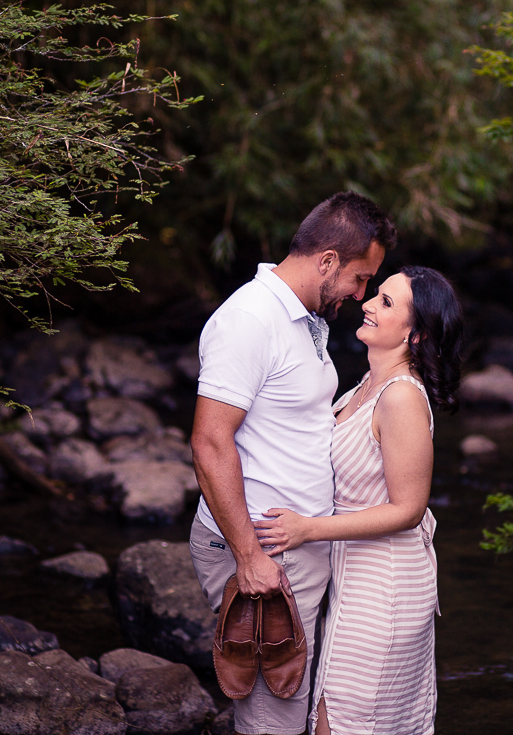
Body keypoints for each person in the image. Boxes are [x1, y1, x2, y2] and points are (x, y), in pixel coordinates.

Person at [189, 191, 397, 735]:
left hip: (293, 542)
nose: (361, 294)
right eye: (360, 278)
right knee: (272, 716)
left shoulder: (301, 317)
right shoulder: (249, 320)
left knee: (289, 705)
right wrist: (249, 558)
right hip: (264, 548)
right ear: (327, 261)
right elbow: (210, 443)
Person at [253, 265, 466, 735]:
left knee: (345, 721)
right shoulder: (363, 387)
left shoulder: (401, 398)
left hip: (386, 587)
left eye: (387, 303)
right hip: (351, 579)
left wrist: (308, 529)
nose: (368, 303)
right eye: (376, 294)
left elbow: (409, 509)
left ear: (417, 335)